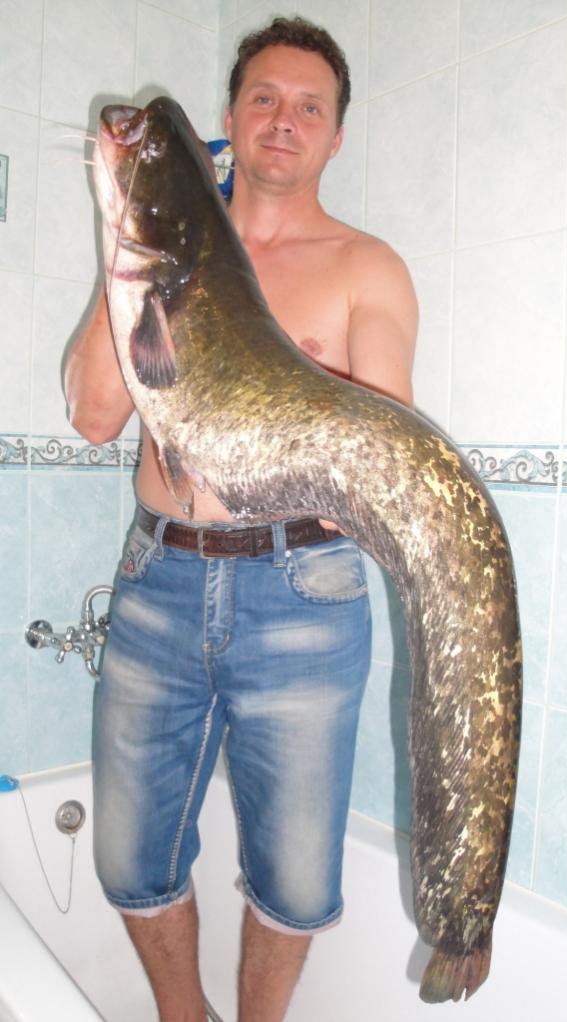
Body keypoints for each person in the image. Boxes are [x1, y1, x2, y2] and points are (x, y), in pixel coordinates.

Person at [64, 16, 418, 1022]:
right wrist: (136, 238)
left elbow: (375, 456)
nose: (283, 119)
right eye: (264, 97)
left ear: (336, 136)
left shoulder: (367, 268)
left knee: (296, 879)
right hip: (158, 579)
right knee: (130, 859)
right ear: (230, 115)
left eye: (310, 106)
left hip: (300, 588)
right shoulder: (166, 244)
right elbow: (94, 415)